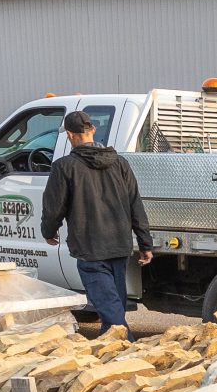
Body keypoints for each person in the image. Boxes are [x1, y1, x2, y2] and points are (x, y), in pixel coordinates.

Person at [41, 109, 153, 336]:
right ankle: (112, 348)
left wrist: (49, 230)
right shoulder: (120, 163)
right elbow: (135, 204)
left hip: (90, 247)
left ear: (70, 135)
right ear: (92, 130)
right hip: (119, 244)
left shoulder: (64, 167)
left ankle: (126, 350)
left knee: (111, 313)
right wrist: (145, 243)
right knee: (114, 305)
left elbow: (54, 206)